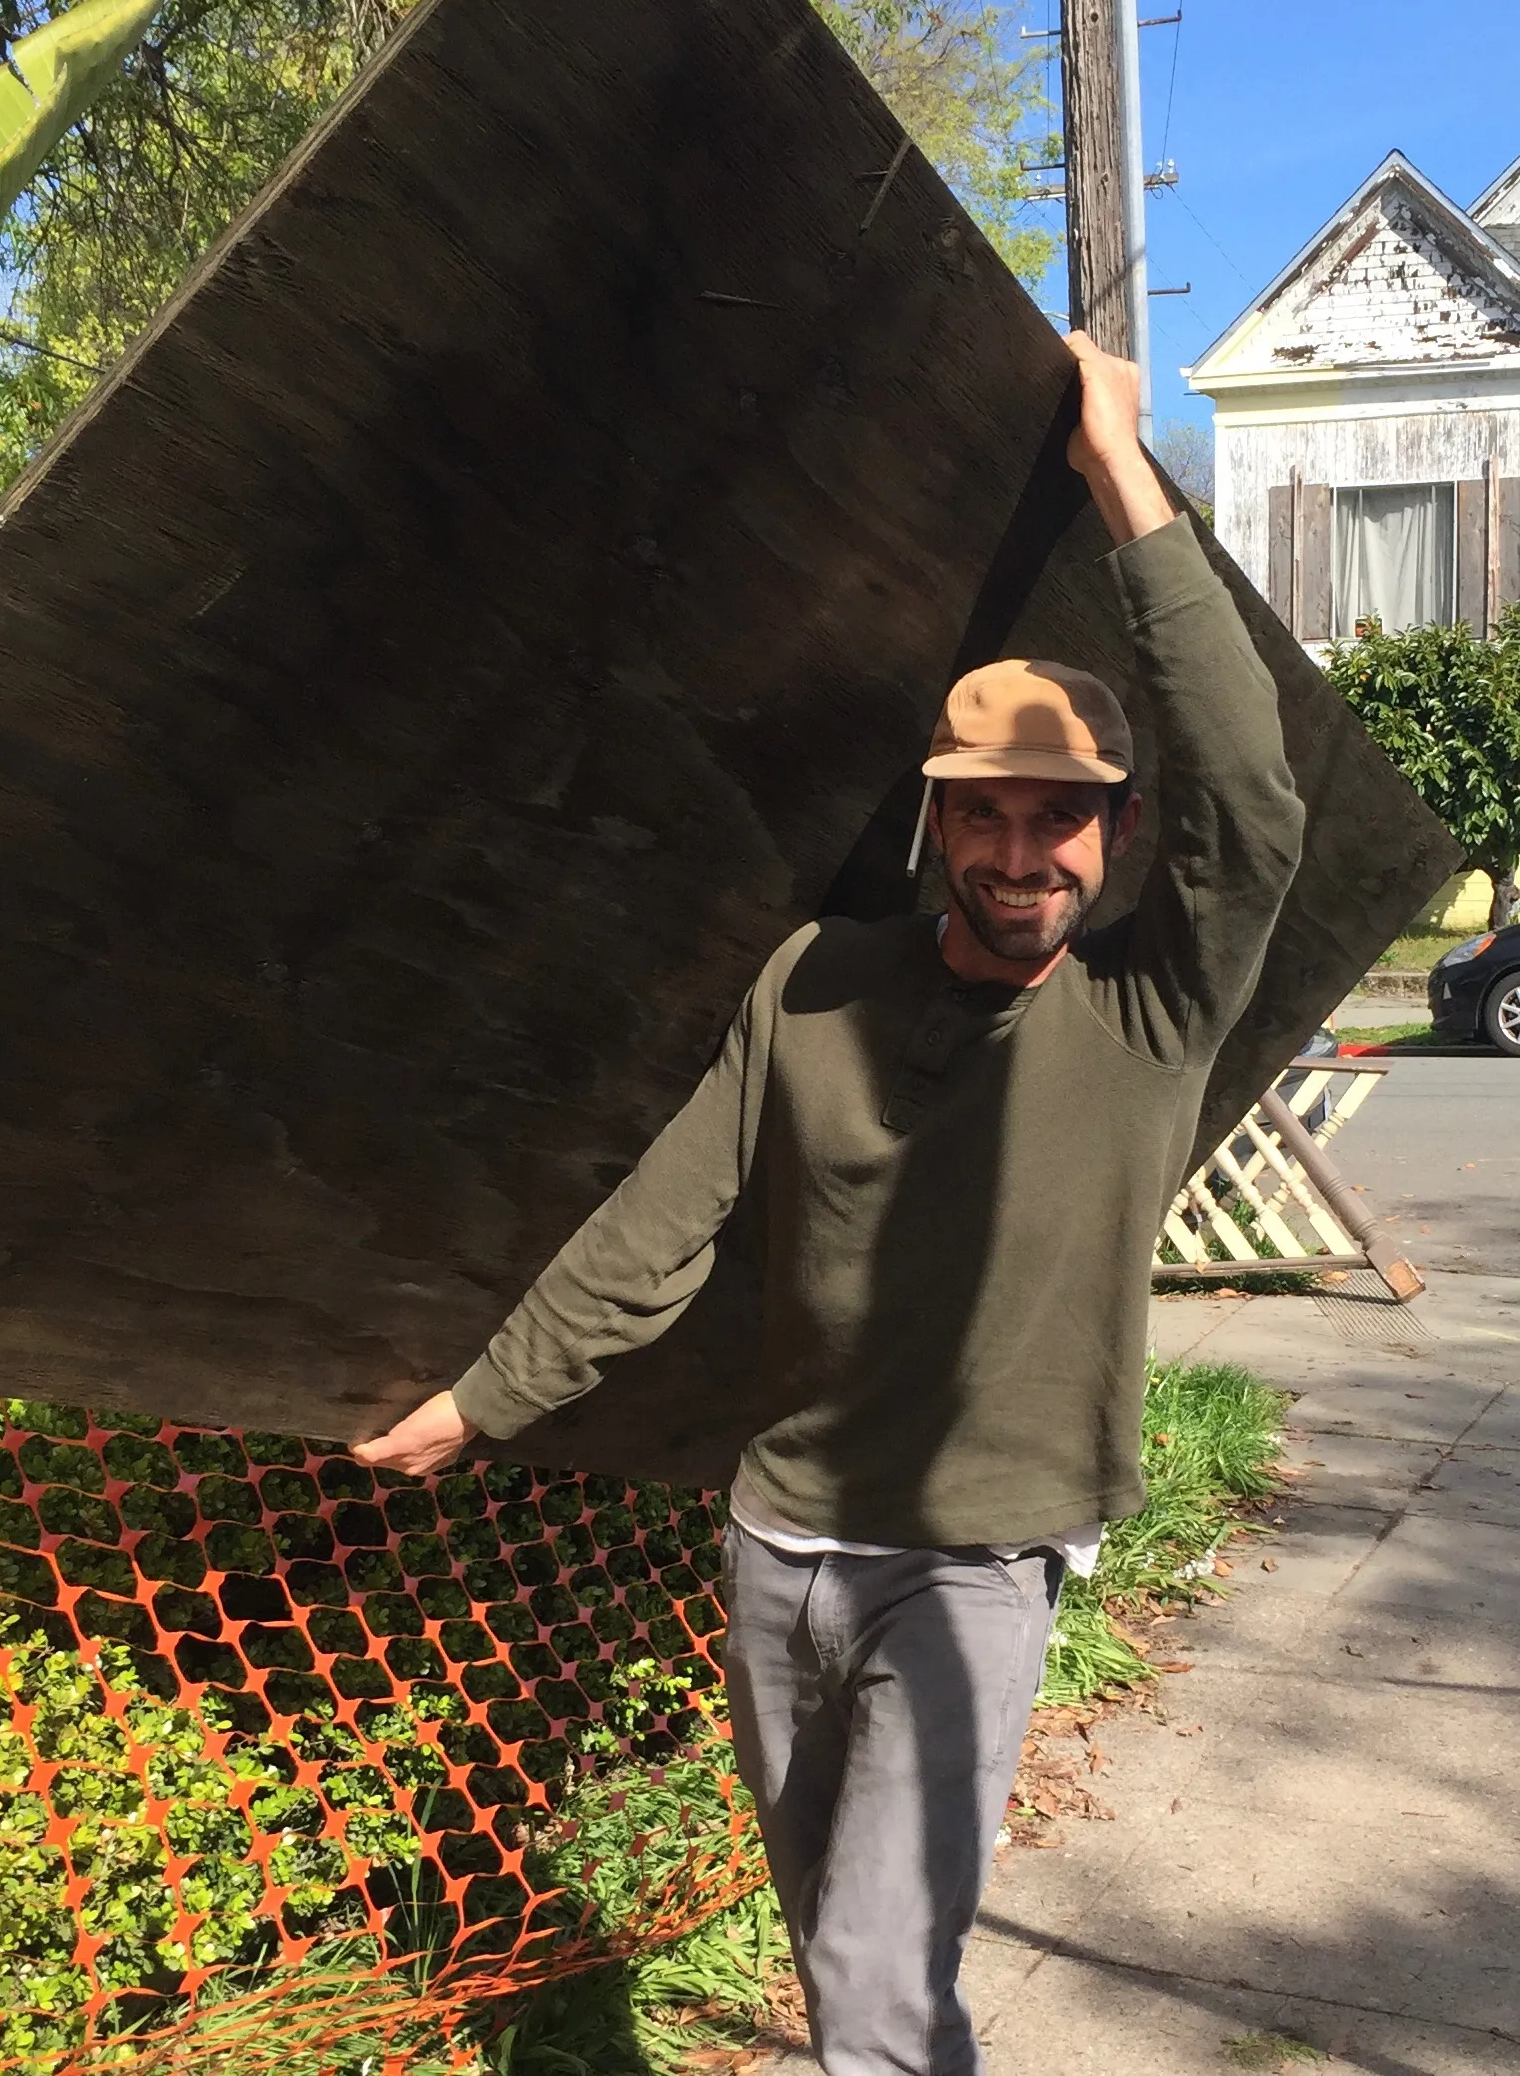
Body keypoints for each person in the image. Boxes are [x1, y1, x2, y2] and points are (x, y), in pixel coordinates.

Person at [352, 333, 1305, 2075]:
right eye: (990, 819)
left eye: (1063, 824)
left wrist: (1119, 472)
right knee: (841, 1949)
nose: (1026, 857)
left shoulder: (1146, 1011)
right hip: (777, 1546)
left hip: (969, 1568)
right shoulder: (812, 983)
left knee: (870, 1990)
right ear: (940, 825)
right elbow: (665, 1215)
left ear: (1110, 835)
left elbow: (1255, 799)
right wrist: (483, 1399)